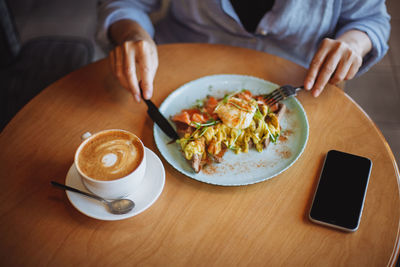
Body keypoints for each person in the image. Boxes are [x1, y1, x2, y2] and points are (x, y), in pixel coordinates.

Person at [96, 0, 390, 102]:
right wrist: (133, 33)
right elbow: (125, 3)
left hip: (294, 88)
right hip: (171, 76)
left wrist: (354, 43)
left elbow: (370, 19)